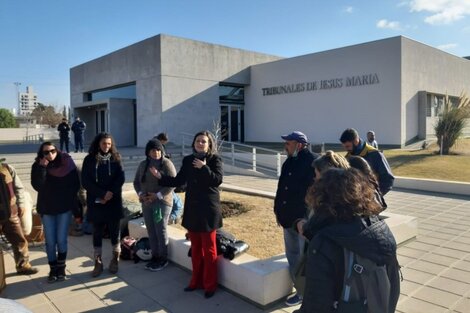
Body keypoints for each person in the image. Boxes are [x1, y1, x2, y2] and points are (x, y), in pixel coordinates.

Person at [294, 168, 398, 313]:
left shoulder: (324, 243)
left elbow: (316, 304)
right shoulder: (381, 230)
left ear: (321, 197)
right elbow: (393, 287)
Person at [150, 130, 223, 299]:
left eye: (204, 141)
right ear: (194, 143)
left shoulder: (214, 160)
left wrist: (204, 168)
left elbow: (217, 180)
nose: (200, 143)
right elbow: (179, 181)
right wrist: (161, 176)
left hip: (208, 211)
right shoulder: (188, 160)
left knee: (210, 250)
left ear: (209, 144)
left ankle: (210, 285)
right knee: (195, 249)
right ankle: (195, 281)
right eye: (198, 141)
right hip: (193, 211)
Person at [274, 131, 319, 306]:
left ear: (299, 145)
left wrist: (308, 219)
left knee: (304, 259)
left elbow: (318, 193)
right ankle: (299, 290)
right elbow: (281, 188)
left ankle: (306, 293)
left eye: (288, 143)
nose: (285, 146)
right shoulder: (289, 162)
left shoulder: (314, 162)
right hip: (287, 219)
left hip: (304, 222)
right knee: (292, 256)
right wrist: (278, 210)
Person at [31, 142, 80, 282]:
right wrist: (42, 168)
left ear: (57, 150)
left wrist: (76, 210)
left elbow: (75, 185)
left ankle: (61, 268)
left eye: (52, 151)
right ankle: (53, 270)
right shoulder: (38, 166)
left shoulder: (67, 163)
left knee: (61, 240)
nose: (50, 154)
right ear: (42, 154)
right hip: (47, 209)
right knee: (50, 242)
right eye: (46, 152)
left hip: (64, 208)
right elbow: (38, 185)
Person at [81, 132, 125, 277]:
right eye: (103, 143)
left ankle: (115, 258)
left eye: (109, 144)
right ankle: (98, 262)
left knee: (114, 232)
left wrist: (110, 193)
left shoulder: (116, 158)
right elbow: (86, 181)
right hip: (96, 201)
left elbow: (120, 178)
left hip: (113, 201)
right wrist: (101, 194)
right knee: (97, 232)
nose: (106, 146)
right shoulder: (89, 160)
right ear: (98, 144)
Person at [133, 139, 176, 271]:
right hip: (146, 202)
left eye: (158, 150)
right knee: (151, 230)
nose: (156, 152)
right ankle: (155, 256)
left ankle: (163, 258)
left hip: (161, 203)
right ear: (148, 152)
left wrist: (157, 195)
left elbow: (173, 183)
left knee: (160, 229)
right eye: (153, 150)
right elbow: (136, 182)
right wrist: (141, 193)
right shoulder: (143, 165)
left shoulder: (166, 164)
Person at [0, 159, 38, 276]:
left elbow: (18, 187)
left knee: (19, 240)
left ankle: (23, 266)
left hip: (11, 212)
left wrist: (21, 204)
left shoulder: (7, 168)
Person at [340, 128, 394, 195]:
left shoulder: (375, 154)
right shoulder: (347, 158)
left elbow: (388, 180)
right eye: (344, 147)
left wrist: (375, 197)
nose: (346, 149)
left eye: (348, 146)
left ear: (356, 141)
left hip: (371, 201)